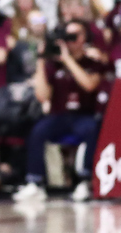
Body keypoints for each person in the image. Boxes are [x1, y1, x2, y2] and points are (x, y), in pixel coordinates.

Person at [13, 20, 105, 203]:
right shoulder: (53, 66)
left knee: (93, 129)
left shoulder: (93, 63)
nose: (69, 41)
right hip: (60, 116)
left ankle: (85, 181)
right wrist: (40, 60)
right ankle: (35, 182)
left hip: (84, 115)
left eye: (74, 36)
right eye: (67, 36)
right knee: (38, 130)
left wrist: (68, 59)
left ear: (84, 38)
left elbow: (89, 85)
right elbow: (42, 96)